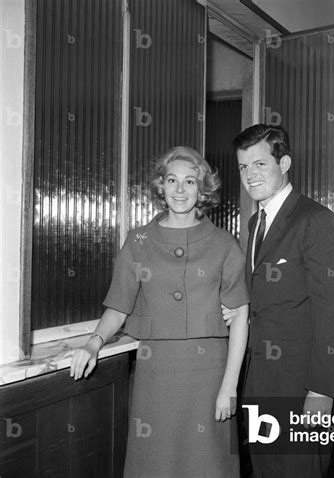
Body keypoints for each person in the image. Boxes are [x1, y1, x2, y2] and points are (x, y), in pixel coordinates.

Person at [69, 146, 249, 477]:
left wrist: (230, 386)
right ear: (161, 187)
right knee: (156, 463)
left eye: (190, 181)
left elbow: (239, 316)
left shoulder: (225, 245)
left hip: (210, 374)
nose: (180, 190)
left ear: (202, 188)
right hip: (157, 373)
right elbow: (119, 306)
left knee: (209, 464)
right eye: (172, 180)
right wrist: (94, 342)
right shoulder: (138, 241)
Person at [223, 124, 334, 477]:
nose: (250, 175)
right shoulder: (255, 224)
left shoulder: (317, 222)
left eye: (260, 164)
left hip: (301, 387)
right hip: (260, 382)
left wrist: (321, 393)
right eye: (243, 166)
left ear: (284, 164)